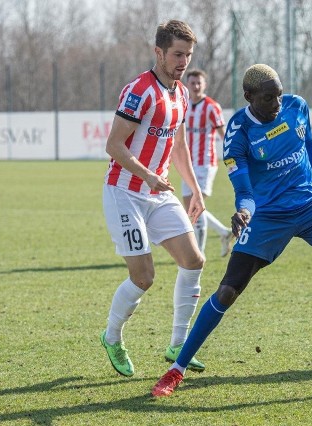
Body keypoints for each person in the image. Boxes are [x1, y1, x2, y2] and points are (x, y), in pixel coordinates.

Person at [151, 64, 312, 397]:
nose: (277, 103)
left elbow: (307, 145)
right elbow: (245, 191)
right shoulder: (238, 133)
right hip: (267, 217)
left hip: (311, 204)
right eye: (268, 98)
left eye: (279, 94)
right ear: (249, 97)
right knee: (227, 291)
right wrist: (243, 213)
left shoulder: (296, 106)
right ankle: (176, 370)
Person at [100, 20, 207, 377]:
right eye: (177, 54)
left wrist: (193, 189)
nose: (183, 62)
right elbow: (113, 145)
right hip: (125, 193)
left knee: (193, 260)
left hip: (157, 193)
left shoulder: (181, 94)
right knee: (144, 277)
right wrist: (148, 175)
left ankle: (179, 344)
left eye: (188, 55)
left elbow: (178, 145)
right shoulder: (139, 91)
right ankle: (112, 337)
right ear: (158, 52)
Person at [183, 69, 235, 257]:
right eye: (192, 83)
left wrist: (232, 156)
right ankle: (224, 232)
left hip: (205, 162)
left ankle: (200, 252)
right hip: (187, 164)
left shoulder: (212, 107)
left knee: (196, 206)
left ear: (204, 85)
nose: (196, 86)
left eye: (199, 83)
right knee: (190, 208)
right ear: (187, 84)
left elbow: (224, 135)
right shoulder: (183, 104)